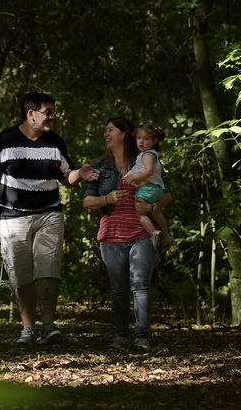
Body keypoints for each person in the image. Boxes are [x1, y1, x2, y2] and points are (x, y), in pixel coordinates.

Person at [0, 93, 99, 346]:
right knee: (21, 274)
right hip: (12, 217)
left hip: (49, 213)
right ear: (31, 114)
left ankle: (49, 326)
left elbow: (66, 179)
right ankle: (28, 329)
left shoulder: (54, 142)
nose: (52, 116)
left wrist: (80, 173)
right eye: (48, 111)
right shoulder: (5, 141)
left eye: (52, 111)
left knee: (48, 268)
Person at [80, 116, 172, 351]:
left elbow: (166, 194)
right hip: (111, 237)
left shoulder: (144, 159)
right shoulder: (99, 166)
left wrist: (152, 208)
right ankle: (121, 336)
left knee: (140, 284)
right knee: (119, 289)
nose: (106, 134)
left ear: (124, 134)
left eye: (110, 130)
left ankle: (142, 337)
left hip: (143, 233)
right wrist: (107, 198)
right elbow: (87, 201)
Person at [121, 124, 173, 250]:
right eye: (139, 138)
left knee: (141, 213)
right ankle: (166, 235)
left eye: (146, 139)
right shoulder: (151, 154)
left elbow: (148, 171)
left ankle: (153, 233)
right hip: (155, 190)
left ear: (154, 141)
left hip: (146, 189)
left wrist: (134, 177)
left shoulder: (147, 155)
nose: (141, 141)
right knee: (154, 211)